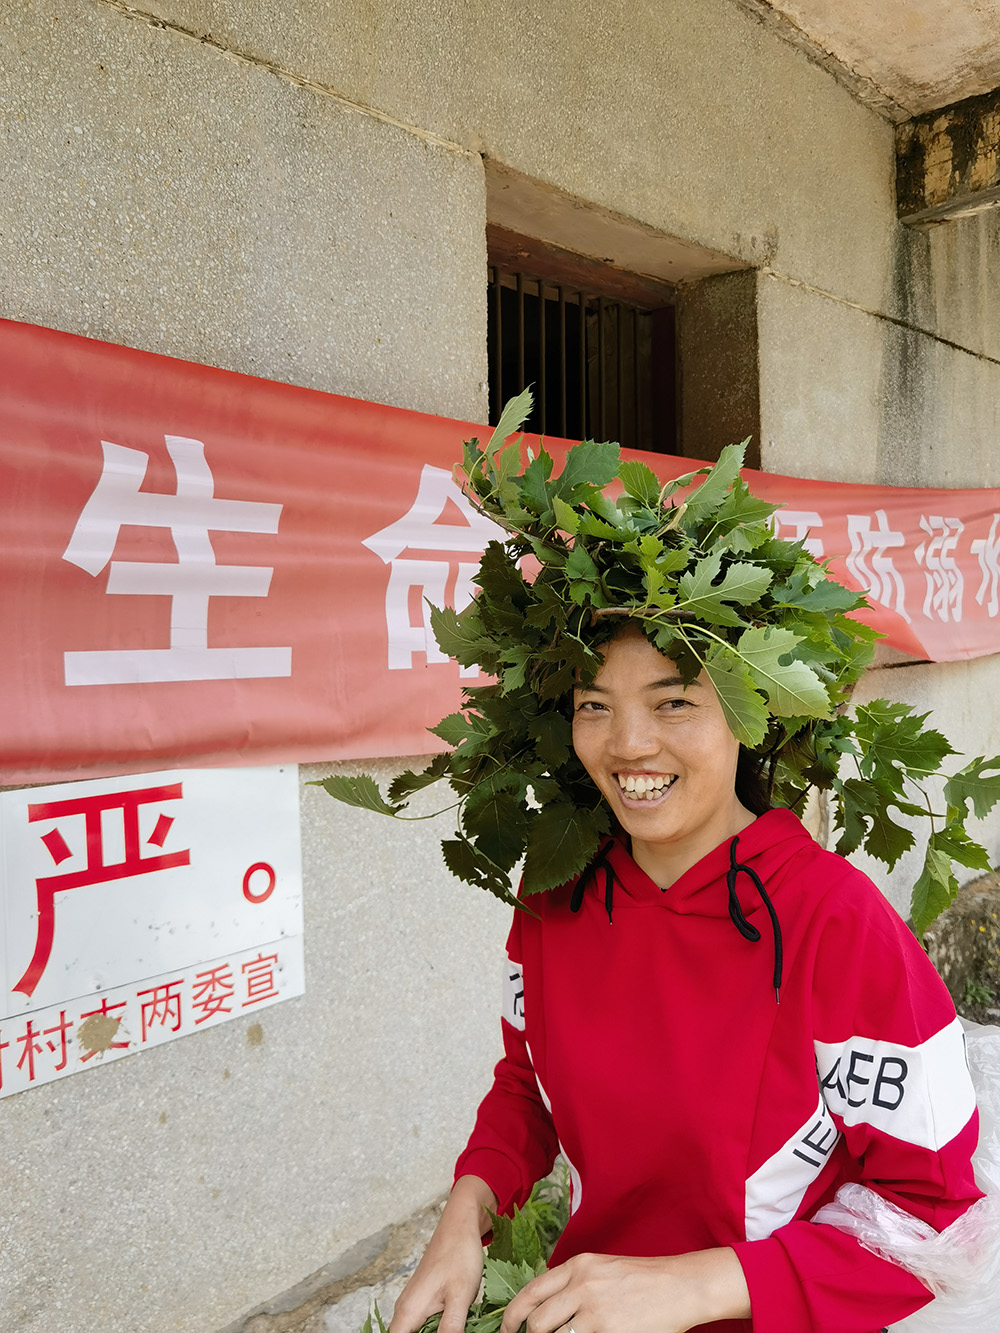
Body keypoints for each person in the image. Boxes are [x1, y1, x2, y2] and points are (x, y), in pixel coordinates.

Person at [325, 408, 991, 1333]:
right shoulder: (556, 891)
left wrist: (698, 1285)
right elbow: (527, 1084)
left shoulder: (834, 923)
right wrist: (467, 1210)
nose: (627, 743)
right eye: (595, 704)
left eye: (673, 701)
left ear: (752, 710)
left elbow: (939, 1218)